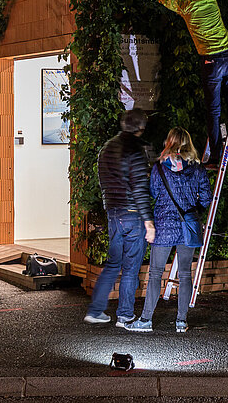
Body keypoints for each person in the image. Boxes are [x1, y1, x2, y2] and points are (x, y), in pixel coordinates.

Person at [138, 0, 228, 163]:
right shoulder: (211, 0)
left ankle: (217, 155)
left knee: (214, 111)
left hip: (212, 62)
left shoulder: (187, 8)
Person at [125, 127, 211, 334]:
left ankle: (146, 319)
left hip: (164, 225)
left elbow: (153, 192)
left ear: (169, 142)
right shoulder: (198, 169)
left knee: (155, 273)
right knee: (185, 274)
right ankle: (181, 321)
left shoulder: (159, 168)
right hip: (188, 227)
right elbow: (207, 198)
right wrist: (193, 209)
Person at [84, 109, 156, 327]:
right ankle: (124, 315)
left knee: (113, 264)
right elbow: (140, 189)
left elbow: (103, 181)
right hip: (133, 214)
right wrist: (148, 221)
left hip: (113, 212)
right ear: (141, 128)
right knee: (131, 267)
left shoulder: (106, 148)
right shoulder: (135, 151)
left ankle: (96, 310)